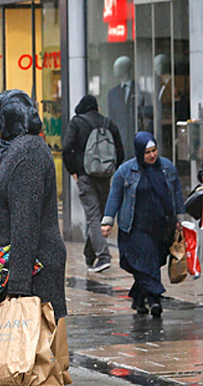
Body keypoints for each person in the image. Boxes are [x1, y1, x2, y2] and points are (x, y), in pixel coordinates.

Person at [0, 89, 67, 386]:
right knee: (17, 347)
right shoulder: (13, 151)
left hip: (33, 271)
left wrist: (18, 283)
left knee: (35, 351)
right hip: (21, 267)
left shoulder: (27, 153)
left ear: (8, 120)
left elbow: (26, 220)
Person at [101, 132, 184, 318]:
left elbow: (176, 192)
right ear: (139, 152)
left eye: (154, 151)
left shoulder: (167, 168)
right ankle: (154, 299)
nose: (152, 155)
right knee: (145, 261)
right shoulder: (125, 171)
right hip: (135, 227)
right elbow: (115, 196)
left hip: (162, 226)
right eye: (148, 152)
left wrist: (179, 218)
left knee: (153, 262)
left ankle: (139, 299)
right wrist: (107, 221)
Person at [62, 95, 124, 272]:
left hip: (85, 176)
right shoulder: (108, 123)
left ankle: (103, 257)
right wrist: (110, 170)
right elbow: (120, 152)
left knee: (93, 217)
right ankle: (90, 254)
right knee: (99, 216)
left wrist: (74, 171)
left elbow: (67, 148)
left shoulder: (77, 123)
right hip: (104, 178)